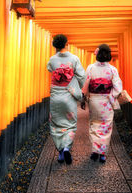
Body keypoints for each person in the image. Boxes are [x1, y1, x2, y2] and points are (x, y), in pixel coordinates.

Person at [47, 34, 86, 164]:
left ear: (55, 45)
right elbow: (81, 76)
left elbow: (49, 69)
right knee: (70, 124)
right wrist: (78, 87)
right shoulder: (74, 58)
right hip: (68, 95)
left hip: (55, 96)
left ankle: (60, 151)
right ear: (66, 44)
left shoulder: (52, 59)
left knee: (56, 123)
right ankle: (66, 147)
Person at [82, 44, 123, 163]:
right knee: (105, 126)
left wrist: (84, 97)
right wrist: (111, 96)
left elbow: (86, 84)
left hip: (94, 100)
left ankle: (95, 150)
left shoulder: (90, 68)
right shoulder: (112, 69)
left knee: (94, 124)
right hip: (106, 100)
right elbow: (118, 88)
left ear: (97, 54)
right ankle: (103, 153)